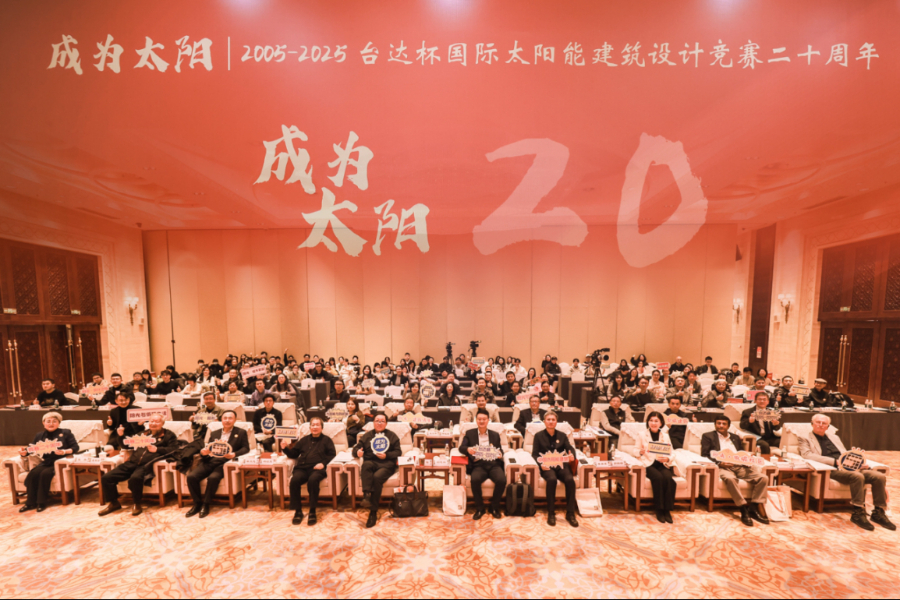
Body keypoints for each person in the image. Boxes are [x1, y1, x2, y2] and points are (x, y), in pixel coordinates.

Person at [799, 414, 895, 531]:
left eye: (824, 423)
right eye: (818, 422)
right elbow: (807, 455)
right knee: (857, 476)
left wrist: (858, 463)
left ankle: (878, 512)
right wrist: (835, 462)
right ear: (812, 423)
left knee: (879, 476)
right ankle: (858, 512)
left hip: (847, 467)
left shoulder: (834, 438)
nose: (820, 425)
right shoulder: (804, 437)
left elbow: (845, 454)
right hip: (831, 468)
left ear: (828, 426)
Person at [98, 414, 178, 517]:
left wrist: (157, 449)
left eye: (157, 421)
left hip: (146, 465)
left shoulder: (168, 435)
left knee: (135, 478)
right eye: (151, 421)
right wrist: (121, 435)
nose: (153, 423)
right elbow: (127, 445)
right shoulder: (142, 434)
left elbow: (175, 449)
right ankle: (114, 503)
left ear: (162, 423)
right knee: (106, 477)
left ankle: (136, 503)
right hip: (132, 462)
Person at [700, 415, 768, 527]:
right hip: (723, 466)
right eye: (718, 423)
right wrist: (719, 463)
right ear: (715, 424)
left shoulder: (735, 437)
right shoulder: (708, 436)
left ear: (728, 426)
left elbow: (740, 452)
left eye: (724, 424)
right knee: (730, 479)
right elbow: (705, 454)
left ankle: (754, 507)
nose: (721, 426)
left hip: (740, 466)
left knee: (763, 478)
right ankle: (743, 509)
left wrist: (747, 456)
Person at [186, 410, 250, 518]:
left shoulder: (241, 432)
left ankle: (206, 504)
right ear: (221, 420)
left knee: (213, 478)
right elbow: (209, 449)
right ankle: (197, 504)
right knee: (191, 477)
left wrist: (234, 454)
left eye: (230, 418)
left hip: (224, 463)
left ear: (235, 420)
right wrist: (204, 453)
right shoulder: (214, 433)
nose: (227, 420)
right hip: (209, 461)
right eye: (225, 418)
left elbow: (246, 448)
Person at [17, 412, 79, 513]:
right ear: (43, 423)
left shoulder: (66, 433)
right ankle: (30, 503)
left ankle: (41, 503)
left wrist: (64, 451)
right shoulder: (40, 435)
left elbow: (75, 447)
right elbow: (31, 449)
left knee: (45, 474)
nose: (51, 423)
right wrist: (24, 453)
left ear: (59, 423)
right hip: (46, 462)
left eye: (54, 421)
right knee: (33, 473)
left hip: (60, 461)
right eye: (48, 421)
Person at [282, 417, 336, 526]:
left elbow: (332, 455)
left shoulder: (327, 440)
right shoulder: (303, 440)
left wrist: (323, 464)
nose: (315, 427)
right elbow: (294, 454)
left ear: (322, 427)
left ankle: (312, 511)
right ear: (310, 427)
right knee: (294, 480)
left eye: (317, 425)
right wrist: (285, 448)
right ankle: (298, 511)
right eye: (313, 425)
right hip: (302, 468)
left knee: (313, 480)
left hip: (317, 469)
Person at [354, 414, 402, 528]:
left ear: (386, 423)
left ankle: (373, 512)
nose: (379, 423)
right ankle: (366, 495)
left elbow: (398, 452)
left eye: (382, 421)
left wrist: (386, 455)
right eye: (377, 421)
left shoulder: (392, 436)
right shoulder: (367, 436)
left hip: (387, 464)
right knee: (366, 465)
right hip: (371, 462)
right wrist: (357, 452)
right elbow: (356, 448)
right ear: (373, 423)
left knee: (376, 477)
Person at [627, 411, 676, 524]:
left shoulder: (665, 435)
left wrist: (667, 459)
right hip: (648, 463)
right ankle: (659, 509)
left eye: (656, 421)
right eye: (651, 420)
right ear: (648, 422)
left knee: (668, 478)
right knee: (658, 478)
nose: (653, 423)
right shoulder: (641, 434)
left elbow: (672, 452)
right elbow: (634, 450)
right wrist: (640, 452)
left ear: (661, 423)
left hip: (662, 463)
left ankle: (667, 510)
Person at [531, 411, 578, 527]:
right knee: (551, 480)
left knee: (570, 480)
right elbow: (534, 454)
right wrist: (540, 464)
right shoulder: (538, 436)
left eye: (553, 420)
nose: (551, 422)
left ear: (556, 422)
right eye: (548, 419)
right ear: (544, 421)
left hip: (561, 465)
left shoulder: (562, 435)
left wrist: (572, 455)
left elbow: (570, 448)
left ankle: (570, 513)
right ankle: (551, 513)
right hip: (546, 465)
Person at [459, 409, 506, 520]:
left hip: (493, 464)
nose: (481, 421)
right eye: (479, 419)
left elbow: (500, 450)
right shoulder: (469, 433)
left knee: (502, 480)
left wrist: (500, 454)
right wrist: (468, 449)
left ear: (488, 420)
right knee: (475, 480)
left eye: (484, 419)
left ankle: (494, 507)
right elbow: (461, 447)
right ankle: (480, 508)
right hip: (478, 465)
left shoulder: (495, 435)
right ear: (476, 420)